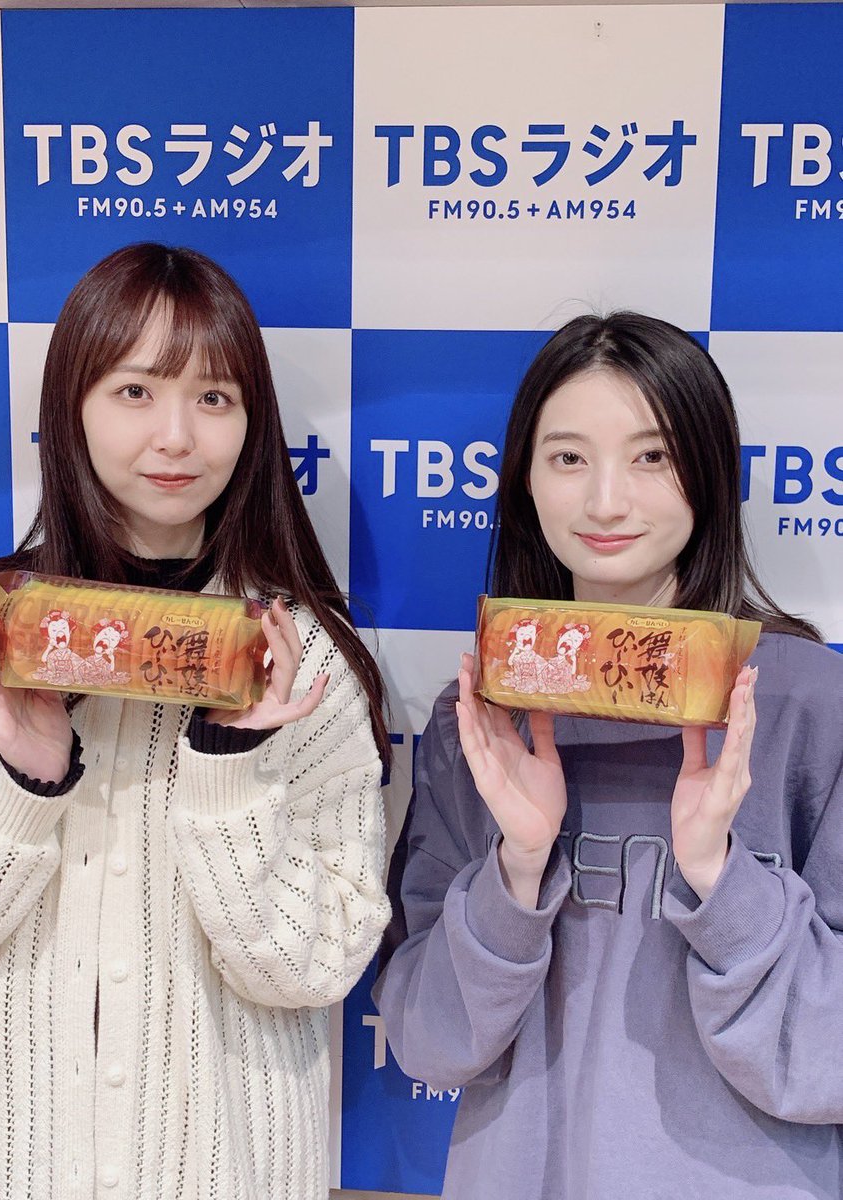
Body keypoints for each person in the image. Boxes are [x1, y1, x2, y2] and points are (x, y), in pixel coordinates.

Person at [0, 243, 391, 1200]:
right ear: (71, 406)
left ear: (252, 423)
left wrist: (228, 768)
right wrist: (23, 784)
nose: (177, 437)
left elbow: (317, 967)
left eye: (214, 397)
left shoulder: (305, 658)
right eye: (136, 391)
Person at [374, 312, 843, 1199]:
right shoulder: (480, 721)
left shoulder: (810, 706)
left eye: (652, 456)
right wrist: (516, 870)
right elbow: (428, 1042)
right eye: (568, 458)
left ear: (710, 472)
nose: (606, 502)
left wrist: (722, 879)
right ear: (524, 480)